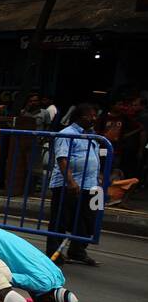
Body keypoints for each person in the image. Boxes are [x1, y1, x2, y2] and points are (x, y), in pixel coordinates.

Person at [0, 224, 78, 302]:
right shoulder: (43, 284)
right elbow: (3, 277)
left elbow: (34, 282)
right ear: (49, 301)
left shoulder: (59, 277)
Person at [45, 103, 102, 266]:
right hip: (68, 184)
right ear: (81, 117)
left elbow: (95, 157)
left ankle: (77, 251)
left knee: (87, 220)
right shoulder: (67, 134)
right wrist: (70, 181)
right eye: (91, 115)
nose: (94, 118)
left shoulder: (91, 134)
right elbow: (62, 159)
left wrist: (98, 176)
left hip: (89, 184)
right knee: (60, 220)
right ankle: (54, 253)